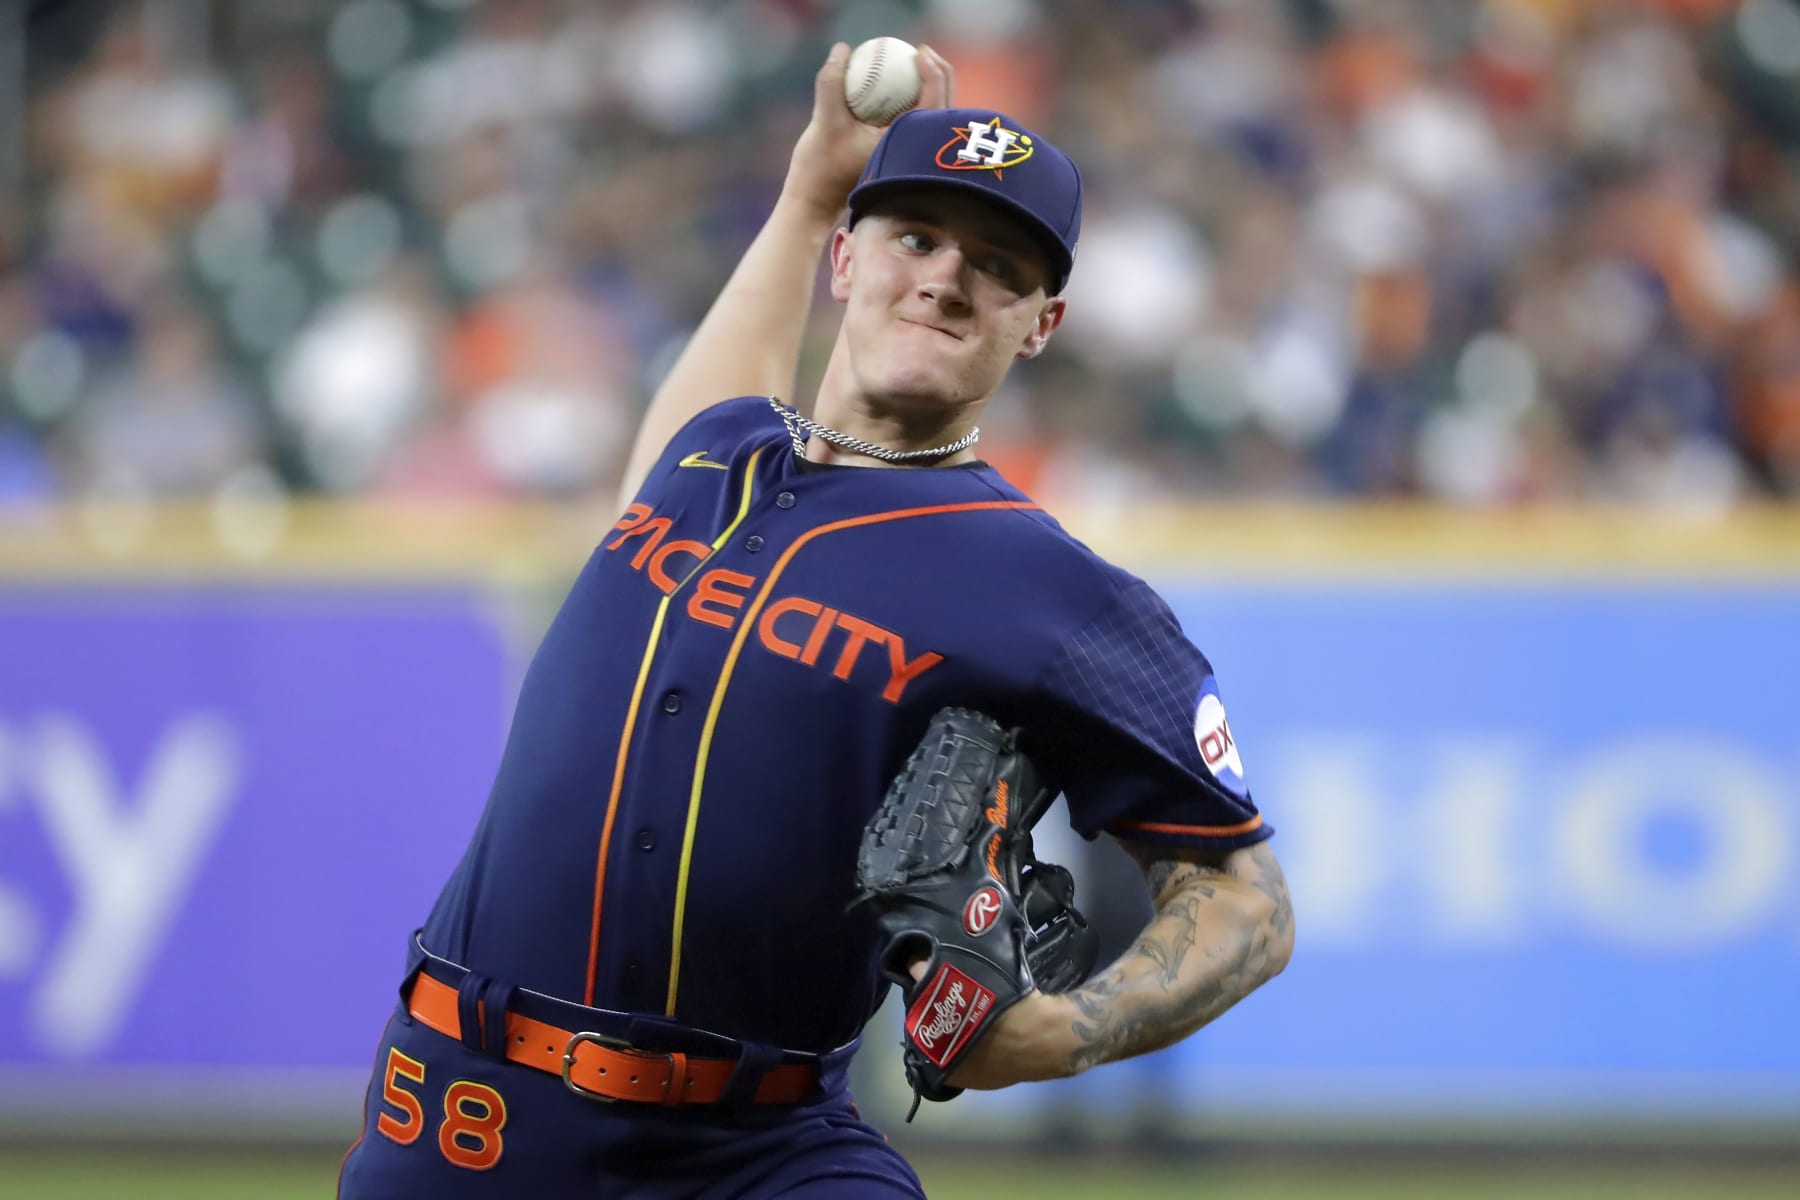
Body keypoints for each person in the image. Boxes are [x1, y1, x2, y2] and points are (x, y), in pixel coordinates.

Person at [338, 42, 1293, 1200]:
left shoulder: (1057, 595)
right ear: (848, 258)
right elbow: (684, 435)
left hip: (758, 1153)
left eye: (997, 265)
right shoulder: (707, 460)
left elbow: (1245, 898)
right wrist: (804, 192)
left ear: (1041, 324)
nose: (946, 278)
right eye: (915, 238)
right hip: (465, 1119)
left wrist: (1062, 1032)